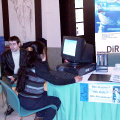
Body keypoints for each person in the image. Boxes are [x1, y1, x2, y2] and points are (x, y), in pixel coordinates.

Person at [16, 41, 82, 120]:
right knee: (56, 101)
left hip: (22, 99)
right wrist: (73, 80)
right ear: (41, 53)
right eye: (44, 51)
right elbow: (55, 81)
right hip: (30, 102)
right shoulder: (38, 67)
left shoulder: (27, 62)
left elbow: (46, 73)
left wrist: (44, 62)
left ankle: (39, 117)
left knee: (47, 93)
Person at [1, 36, 27, 115]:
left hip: (20, 74)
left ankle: (24, 102)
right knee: (5, 84)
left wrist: (21, 76)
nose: (11, 46)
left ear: (19, 44)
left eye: (14, 44)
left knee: (27, 81)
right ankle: (10, 105)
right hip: (9, 74)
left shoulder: (24, 53)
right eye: (10, 44)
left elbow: (27, 66)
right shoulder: (5, 54)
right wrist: (10, 76)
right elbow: (3, 69)